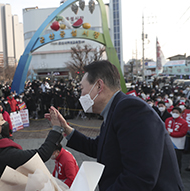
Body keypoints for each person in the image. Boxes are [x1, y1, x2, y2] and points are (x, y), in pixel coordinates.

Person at [47, 60, 183, 190]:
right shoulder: (114, 111)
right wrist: (65, 127)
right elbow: (97, 147)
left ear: (99, 86)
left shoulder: (130, 109)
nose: (80, 94)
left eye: (82, 88)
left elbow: (139, 177)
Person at [0, 101, 63, 191]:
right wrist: (56, 128)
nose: (5, 122)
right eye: (2, 119)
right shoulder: (1, 153)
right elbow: (41, 155)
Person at [165, 107, 188, 173]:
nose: (174, 114)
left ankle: (177, 173)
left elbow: (182, 133)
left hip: (178, 144)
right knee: (167, 158)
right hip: (168, 142)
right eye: (173, 112)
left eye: (176, 112)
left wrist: (171, 133)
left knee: (177, 160)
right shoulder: (168, 120)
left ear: (180, 114)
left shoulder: (184, 122)